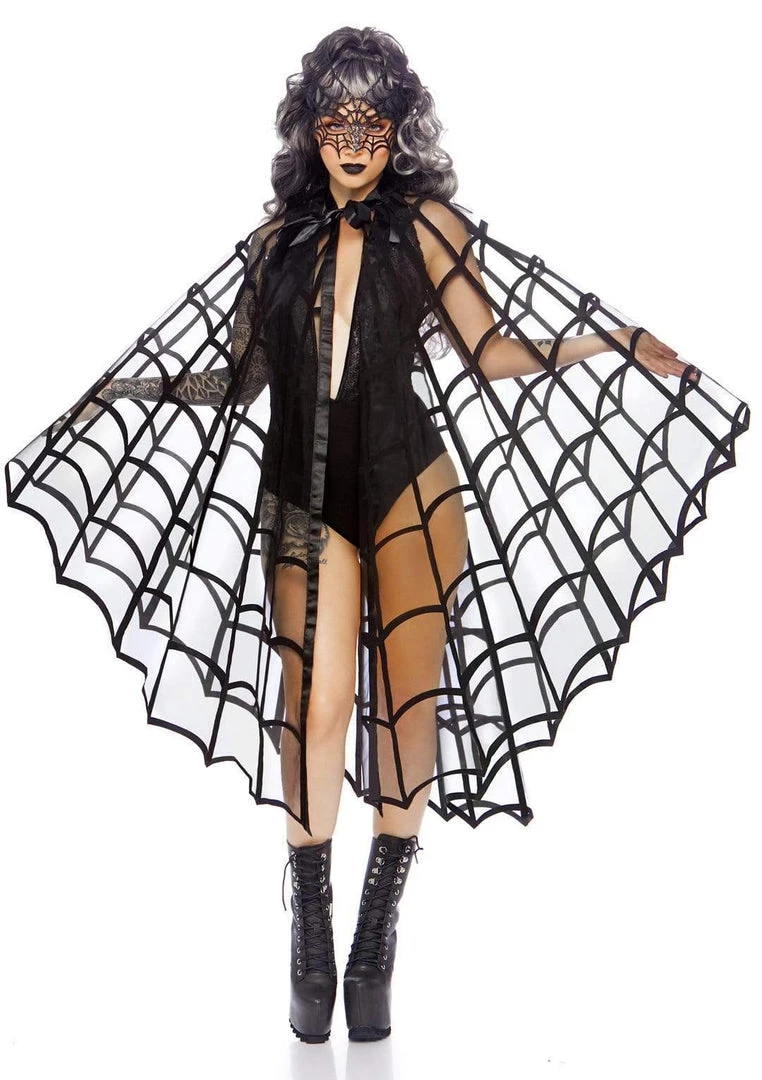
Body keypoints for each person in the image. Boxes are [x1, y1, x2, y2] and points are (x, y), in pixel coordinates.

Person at [4, 26, 750, 1045]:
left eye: (372, 119)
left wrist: (610, 340)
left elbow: (491, 351)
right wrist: (130, 390)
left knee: (405, 711)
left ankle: (375, 935)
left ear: (397, 130)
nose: (353, 139)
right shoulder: (275, 242)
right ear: (310, 128)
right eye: (335, 118)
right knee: (312, 708)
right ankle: (310, 928)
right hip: (301, 494)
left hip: (408, 482)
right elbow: (240, 377)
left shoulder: (429, 226)